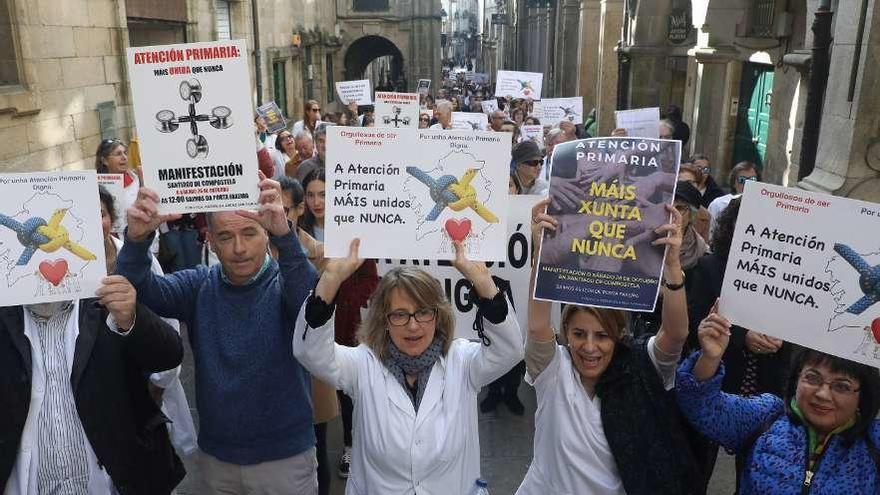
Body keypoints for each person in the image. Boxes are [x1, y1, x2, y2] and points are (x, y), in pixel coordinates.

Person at [116, 175, 320, 494]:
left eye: (249, 232)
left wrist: (286, 238)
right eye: (226, 236)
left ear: (266, 234)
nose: (239, 248)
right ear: (210, 240)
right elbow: (137, 290)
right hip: (218, 460)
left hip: (285, 459)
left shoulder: (285, 283)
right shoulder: (199, 286)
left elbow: (311, 305)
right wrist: (137, 239)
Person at [293, 239, 524, 494]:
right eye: (400, 314)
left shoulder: (462, 361)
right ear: (384, 320)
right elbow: (310, 353)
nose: (413, 326)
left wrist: (482, 280)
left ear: (438, 316)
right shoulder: (363, 365)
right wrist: (331, 279)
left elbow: (509, 350)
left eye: (423, 312)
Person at [517, 199, 698, 494]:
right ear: (564, 333)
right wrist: (543, 252)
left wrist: (673, 267)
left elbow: (676, 334)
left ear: (619, 335)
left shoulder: (640, 367)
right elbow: (537, 325)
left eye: (602, 336)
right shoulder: (553, 370)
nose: (589, 347)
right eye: (578, 334)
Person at [0, 276, 186, 494]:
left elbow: (168, 357)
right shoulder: (6, 316)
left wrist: (133, 318)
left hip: (112, 482)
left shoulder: (105, 302)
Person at [677, 309, 880, 493]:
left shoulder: (874, 441)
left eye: (841, 386)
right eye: (813, 378)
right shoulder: (766, 416)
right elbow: (701, 405)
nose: (823, 394)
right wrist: (710, 356)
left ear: (863, 395)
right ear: (797, 377)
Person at [707, 161, 759, 240]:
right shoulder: (718, 204)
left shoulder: (762, 206)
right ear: (734, 182)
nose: (747, 184)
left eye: (752, 180)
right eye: (742, 180)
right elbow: (710, 232)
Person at [95, 138, 139, 230]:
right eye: (118, 154)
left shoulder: (137, 179)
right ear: (104, 160)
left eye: (125, 153)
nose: (124, 157)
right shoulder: (96, 186)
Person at [299, 168, 326, 242]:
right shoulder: (299, 231)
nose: (316, 202)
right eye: (310, 195)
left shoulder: (349, 229)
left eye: (323, 195)